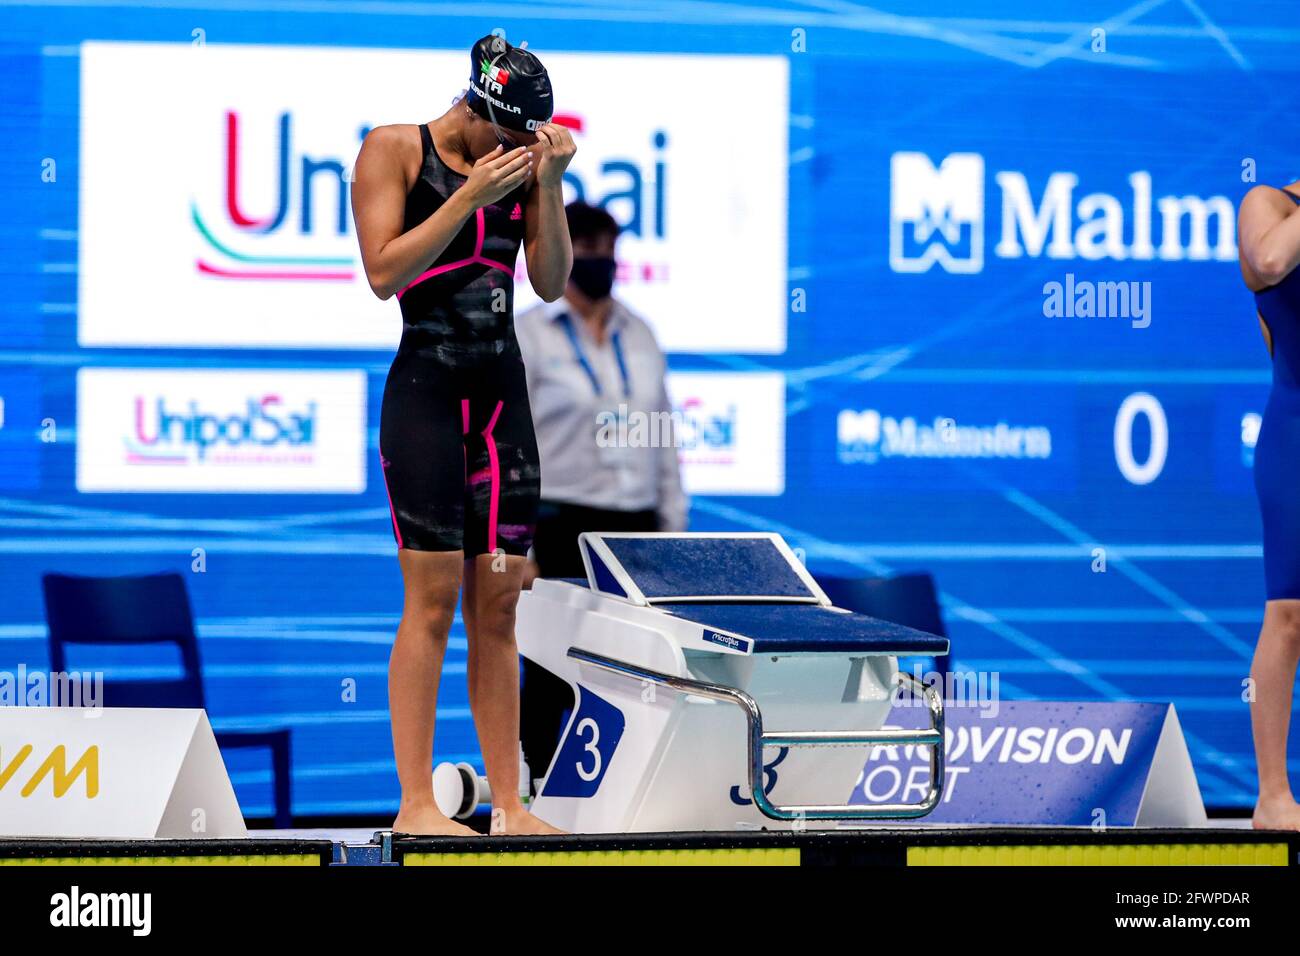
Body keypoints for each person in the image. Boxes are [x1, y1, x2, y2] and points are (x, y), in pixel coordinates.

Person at [350, 34, 575, 836]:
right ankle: (416, 806)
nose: (517, 153)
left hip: (500, 402)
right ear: (477, 109)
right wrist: (468, 197)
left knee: (501, 604)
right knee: (434, 601)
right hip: (426, 399)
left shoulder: (519, 167)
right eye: (511, 139)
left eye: (529, 145)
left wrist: (544, 186)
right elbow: (384, 274)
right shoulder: (393, 149)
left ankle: (508, 805)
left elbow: (548, 284)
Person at [514, 200, 688, 790]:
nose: (600, 260)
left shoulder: (640, 333)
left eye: (608, 248)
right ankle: (534, 796)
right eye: (585, 248)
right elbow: (509, 441)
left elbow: (663, 436)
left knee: (638, 668)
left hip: (636, 527)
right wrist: (516, 539)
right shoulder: (530, 335)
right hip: (560, 522)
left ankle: (629, 795)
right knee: (550, 668)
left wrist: (673, 531)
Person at [1239, 178, 1300, 831]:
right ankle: (1274, 796)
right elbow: (1270, 263)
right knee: (1290, 613)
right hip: (1297, 430)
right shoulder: (1270, 203)